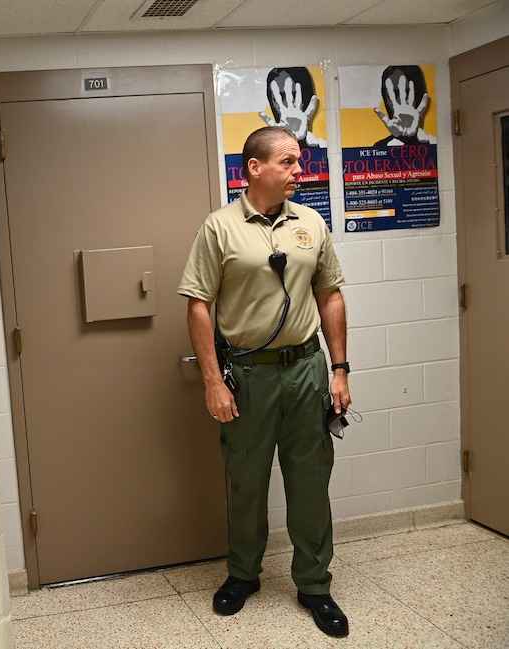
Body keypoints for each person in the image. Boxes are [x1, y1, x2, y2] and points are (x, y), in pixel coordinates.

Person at [177, 125, 352, 638]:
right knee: (246, 481)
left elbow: (331, 297)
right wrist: (212, 379)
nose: (301, 171)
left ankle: (315, 585)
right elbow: (198, 304)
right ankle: (243, 575)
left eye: (300, 162)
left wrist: (339, 370)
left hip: (305, 370)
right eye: (290, 162)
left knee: (310, 481)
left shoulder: (312, 223)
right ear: (255, 168)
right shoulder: (219, 227)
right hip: (247, 375)